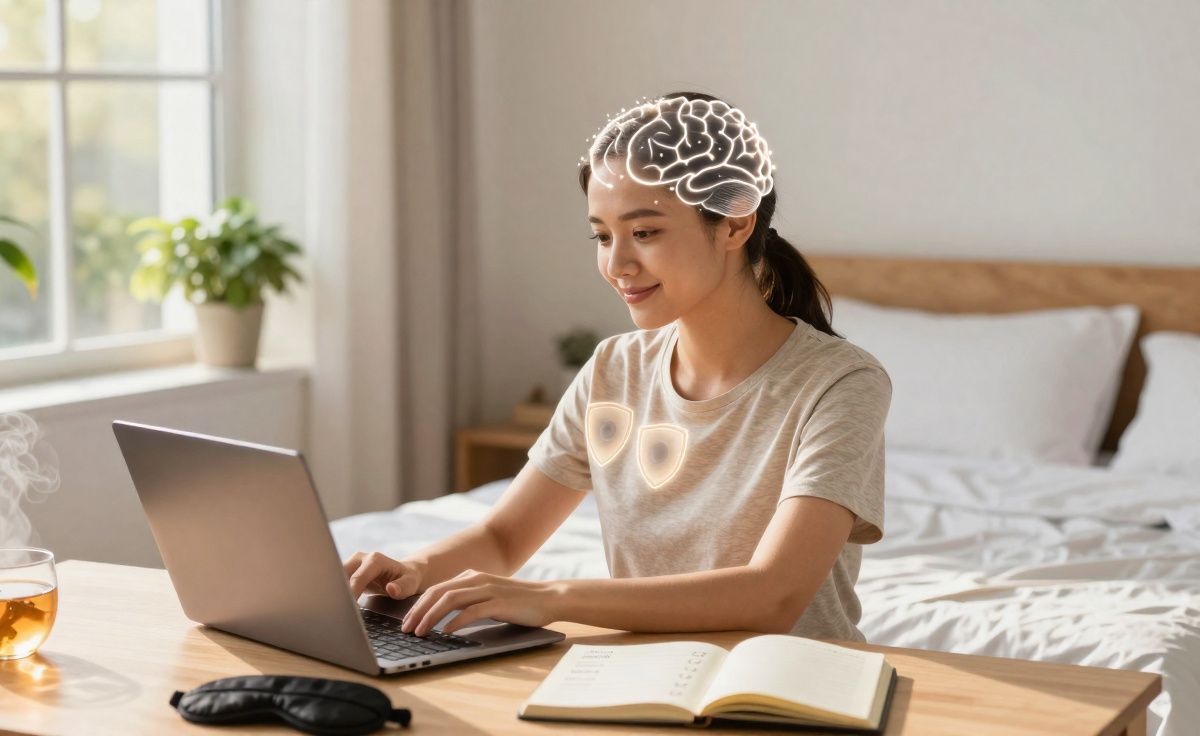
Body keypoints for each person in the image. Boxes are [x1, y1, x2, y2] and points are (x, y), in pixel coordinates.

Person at [345, 91, 892, 643]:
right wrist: (414, 572)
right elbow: (504, 538)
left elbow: (772, 594)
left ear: (733, 224)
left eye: (645, 232)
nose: (617, 264)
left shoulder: (841, 384)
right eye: (602, 236)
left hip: (788, 692)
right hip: (644, 681)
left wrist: (552, 597)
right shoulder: (614, 368)